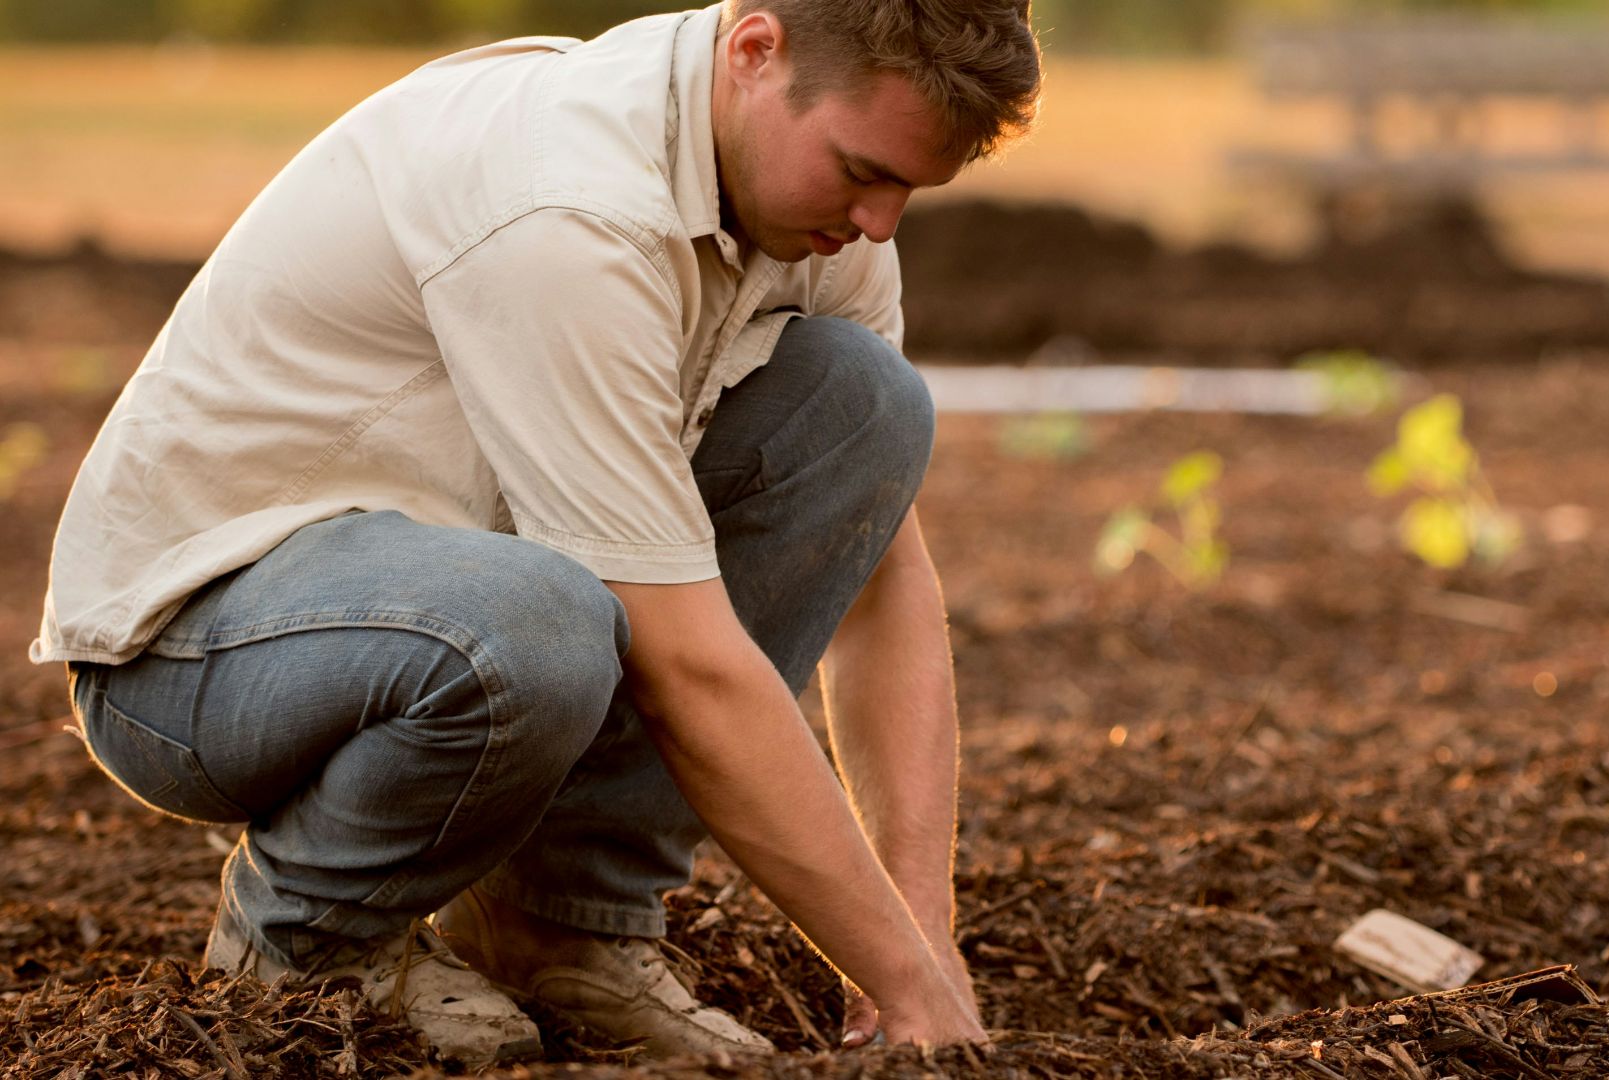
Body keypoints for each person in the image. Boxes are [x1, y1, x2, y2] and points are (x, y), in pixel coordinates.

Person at [31, 0, 1041, 1067]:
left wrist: (925, 941)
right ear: (754, 51)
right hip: (195, 650)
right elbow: (689, 665)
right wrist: (896, 977)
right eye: (860, 170)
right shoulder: (567, 208)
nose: (881, 224)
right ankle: (307, 942)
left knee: (866, 405)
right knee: (538, 622)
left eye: (909, 192)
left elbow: (880, 583)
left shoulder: (812, 212)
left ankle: (562, 926)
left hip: (444, 590)